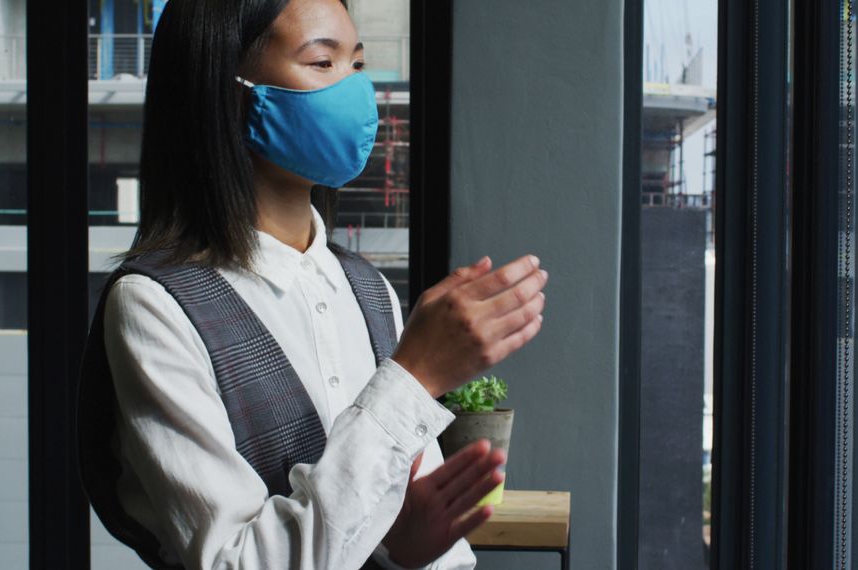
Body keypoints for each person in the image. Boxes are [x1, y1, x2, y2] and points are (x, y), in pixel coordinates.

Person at [76, 0, 549, 568]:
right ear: (229, 89)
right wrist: (415, 376)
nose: (353, 92)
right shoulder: (154, 305)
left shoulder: (368, 291)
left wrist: (407, 546)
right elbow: (239, 562)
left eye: (357, 64)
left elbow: (390, 536)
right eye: (322, 63)